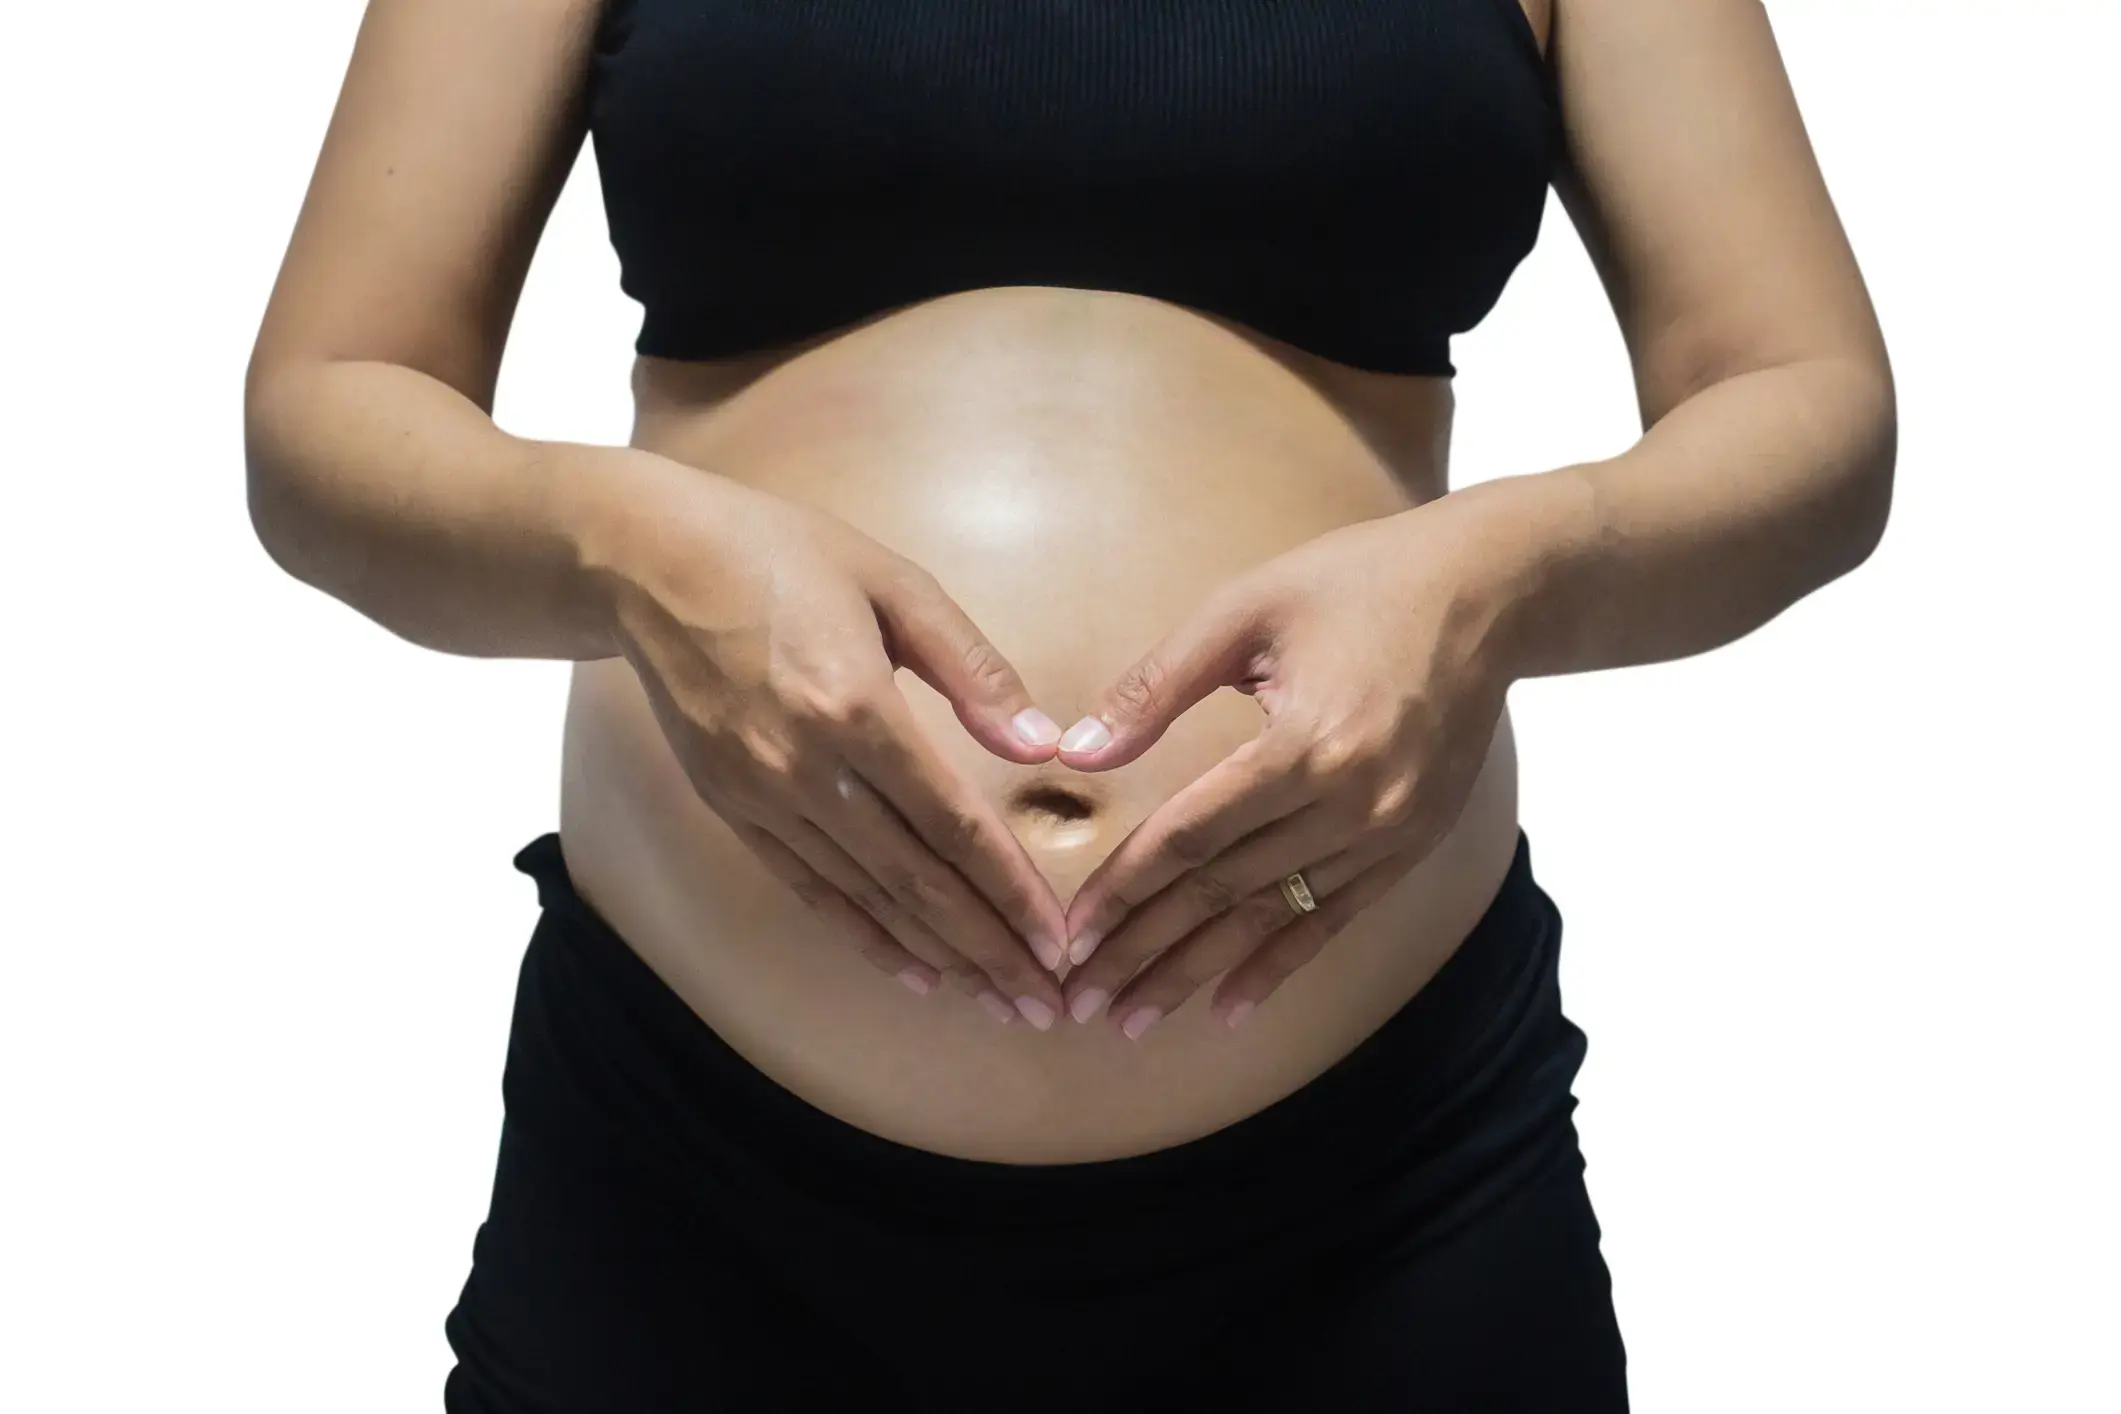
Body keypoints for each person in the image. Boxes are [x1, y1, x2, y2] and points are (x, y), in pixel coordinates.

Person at [243, 0, 1895, 1407]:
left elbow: (1806, 398)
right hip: (694, 1187)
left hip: (1382, 1191)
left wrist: (1498, 579)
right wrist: (631, 548)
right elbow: (327, 405)